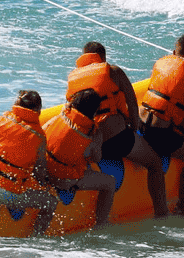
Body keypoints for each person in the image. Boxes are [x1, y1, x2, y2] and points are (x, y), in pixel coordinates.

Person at [65, 41, 168, 218]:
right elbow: (131, 102)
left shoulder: (73, 78)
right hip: (118, 139)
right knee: (155, 164)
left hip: (91, 144)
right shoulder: (113, 71)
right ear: (102, 58)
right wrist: (134, 129)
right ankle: (161, 212)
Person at [0, 90, 59, 236]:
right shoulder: (38, 136)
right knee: (51, 202)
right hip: (6, 194)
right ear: (38, 111)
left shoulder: (3, 119)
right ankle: (37, 238)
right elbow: (39, 174)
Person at [139, 34, 184, 216]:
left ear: (174, 52)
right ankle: (183, 205)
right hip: (158, 133)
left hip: (141, 122)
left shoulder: (161, 63)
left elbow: (166, 100)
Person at [43, 88, 117, 227]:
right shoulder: (92, 132)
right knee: (109, 183)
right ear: (94, 111)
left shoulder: (61, 115)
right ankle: (101, 223)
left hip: (42, 168)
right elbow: (96, 158)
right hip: (62, 179)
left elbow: (44, 131)